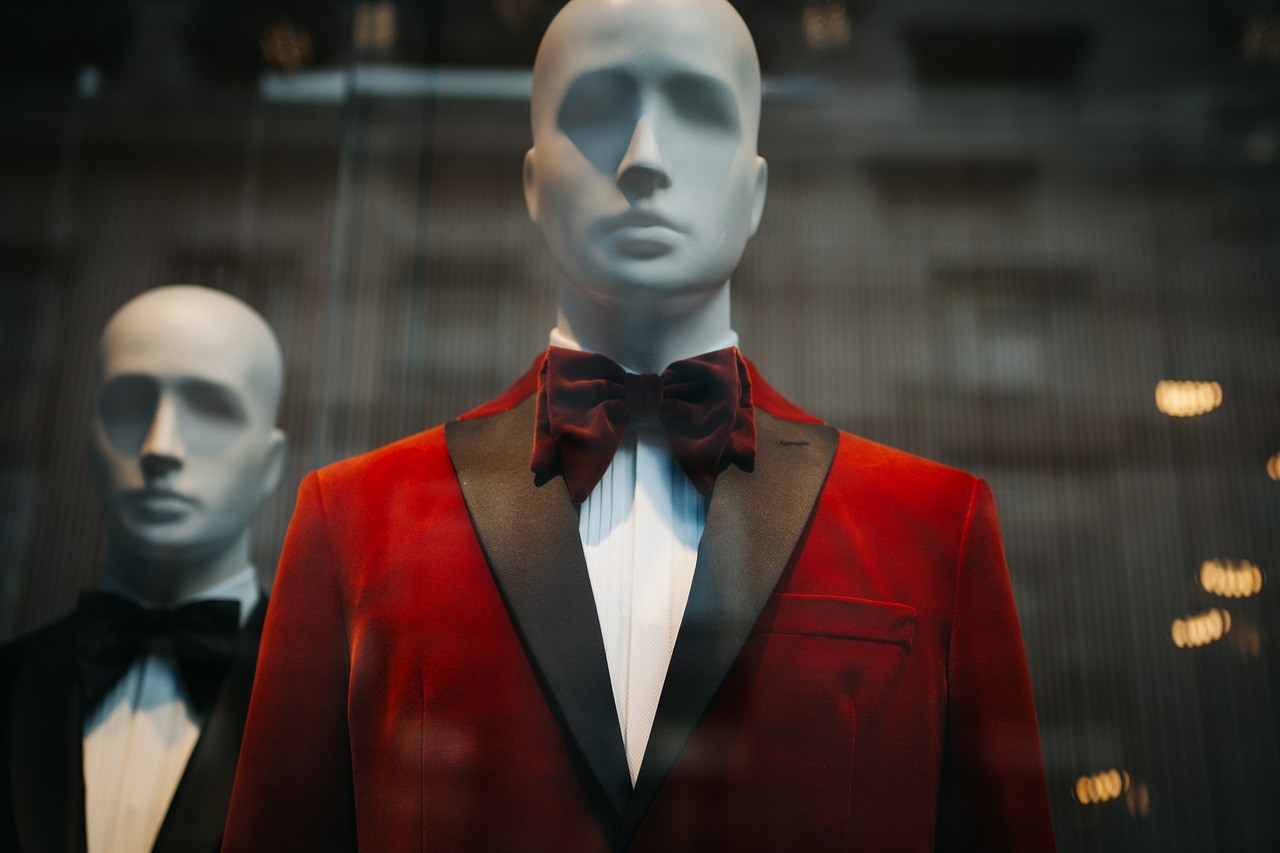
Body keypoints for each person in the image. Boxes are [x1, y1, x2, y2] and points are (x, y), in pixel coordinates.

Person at [225, 0, 1056, 850]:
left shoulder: (930, 528)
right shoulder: (355, 520)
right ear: (533, 184)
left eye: (697, 113)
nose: (644, 161)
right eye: (595, 112)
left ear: (756, 187)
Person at [0, 285, 286, 853]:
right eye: (130, 406)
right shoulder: (10, 685)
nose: (161, 446)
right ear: (89, 443)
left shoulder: (337, 711)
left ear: (271, 462)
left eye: (211, 409)